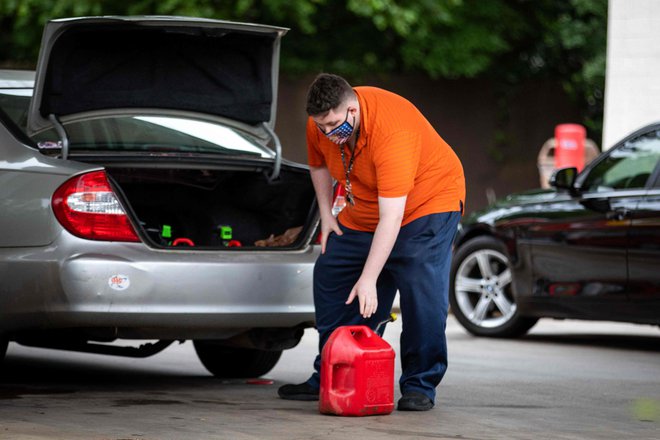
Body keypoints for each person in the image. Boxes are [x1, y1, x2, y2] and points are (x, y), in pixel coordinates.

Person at [278, 73, 465, 411]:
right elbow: (318, 166)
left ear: (352, 109)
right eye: (321, 126)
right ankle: (335, 372)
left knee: (418, 286)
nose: (327, 132)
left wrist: (369, 279)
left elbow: (392, 218)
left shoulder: (393, 133)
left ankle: (420, 383)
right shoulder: (321, 124)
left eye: (334, 124)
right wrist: (326, 215)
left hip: (427, 204)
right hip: (365, 203)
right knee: (331, 273)